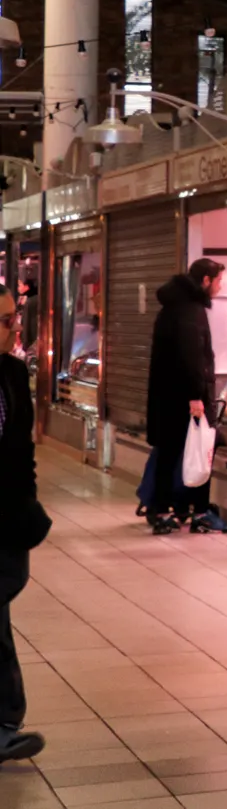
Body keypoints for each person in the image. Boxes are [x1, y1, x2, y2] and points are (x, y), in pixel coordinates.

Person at [0, 289, 48, 762]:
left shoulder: (13, 374)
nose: (12, 328)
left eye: (12, 318)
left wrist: (26, 501)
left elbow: (22, 451)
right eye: (2, 320)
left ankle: (6, 721)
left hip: (6, 519)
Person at [145, 259, 224, 535]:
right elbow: (192, 357)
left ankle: (165, 509)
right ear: (205, 281)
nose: (220, 286)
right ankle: (196, 512)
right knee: (198, 451)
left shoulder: (173, 307)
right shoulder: (191, 310)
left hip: (167, 396)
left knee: (170, 453)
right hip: (184, 397)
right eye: (218, 281)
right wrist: (196, 396)